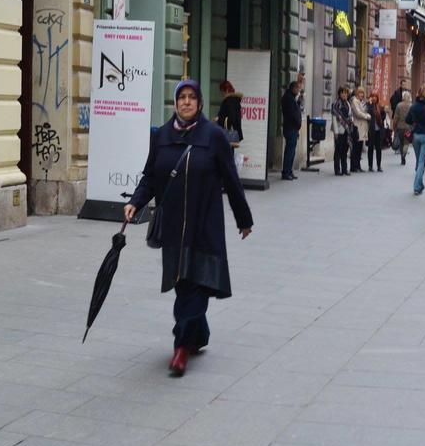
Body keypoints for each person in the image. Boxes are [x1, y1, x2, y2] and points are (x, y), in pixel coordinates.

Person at [125, 80, 253, 376]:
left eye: (191, 97)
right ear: (175, 103)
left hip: (204, 223)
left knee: (197, 282)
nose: (186, 102)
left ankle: (181, 346)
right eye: (181, 97)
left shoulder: (214, 136)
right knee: (183, 283)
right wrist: (136, 202)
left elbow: (231, 180)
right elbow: (150, 177)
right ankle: (199, 334)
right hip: (172, 225)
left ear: (199, 103)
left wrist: (243, 219)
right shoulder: (161, 136)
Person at [406, 85, 425, 195]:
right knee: (421, 162)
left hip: (416, 135)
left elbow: (407, 120)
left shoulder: (413, 106)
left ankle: (420, 185)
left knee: (419, 161)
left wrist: (414, 122)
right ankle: (417, 186)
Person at [281, 80, 301, 181]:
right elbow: (292, 114)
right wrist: (297, 123)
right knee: (290, 151)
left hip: (292, 127)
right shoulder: (288, 98)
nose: (299, 90)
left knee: (291, 151)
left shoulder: (291, 98)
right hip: (290, 128)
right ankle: (286, 172)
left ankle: (289, 171)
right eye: (297, 88)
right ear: (293, 88)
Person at [331, 86, 354, 176]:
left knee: (345, 150)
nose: (344, 95)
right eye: (343, 93)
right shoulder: (336, 104)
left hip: (347, 129)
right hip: (339, 130)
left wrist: (351, 119)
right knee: (338, 150)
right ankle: (337, 170)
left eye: (346, 93)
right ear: (339, 94)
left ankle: (344, 169)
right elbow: (334, 118)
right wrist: (335, 132)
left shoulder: (347, 103)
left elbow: (350, 114)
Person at [350, 87, 371, 173]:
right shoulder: (354, 101)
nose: (361, 95)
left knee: (359, 148)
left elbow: (365, 110)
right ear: (357, 94)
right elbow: (358, 113)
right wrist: (367, 116)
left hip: (363, 127)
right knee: (355, 147)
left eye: (362, 93)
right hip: (357, 126)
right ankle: (353, 166)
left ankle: (358, 165)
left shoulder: (362, 102)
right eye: (360, 93)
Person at [366, 92, 387, 172]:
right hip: (371, 130)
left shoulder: (380, 106)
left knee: (379, 148)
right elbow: (368, 112)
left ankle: (379, 166)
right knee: (370, 148)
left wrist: (380, 117)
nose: (374, 98)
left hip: (379, 129)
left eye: (375, 96)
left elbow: (384, 115)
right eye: (372, 96)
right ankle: (370, 166)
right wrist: (370, 103)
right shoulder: (369, 105)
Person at [392, 90, 413, 165]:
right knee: (406, 143)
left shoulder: (399, 105)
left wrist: (394, 126)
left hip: (400, 127)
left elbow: (396, 117)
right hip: (408, 128)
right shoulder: (411, 106)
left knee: (401, 143)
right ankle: (404, 154)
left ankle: (402, 157)